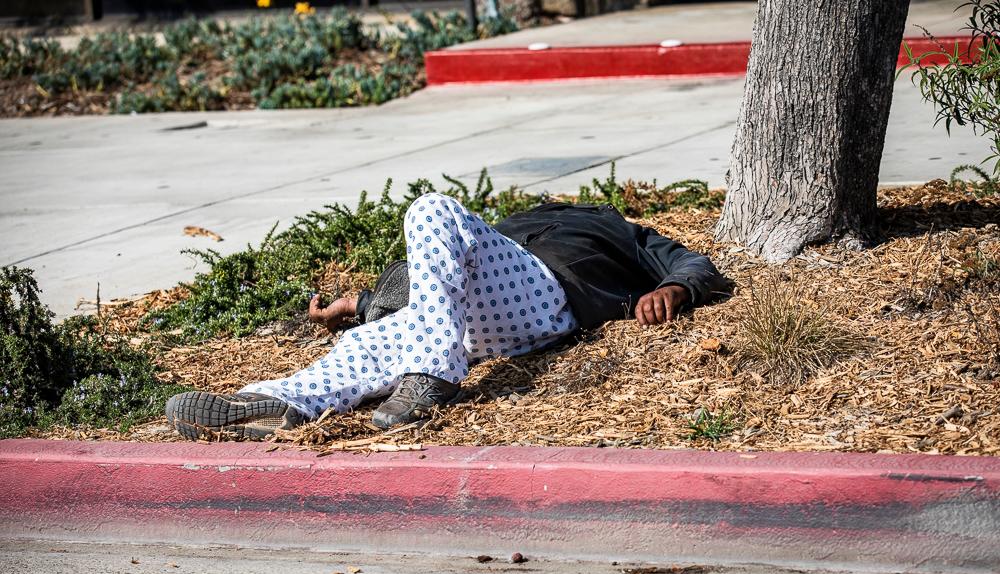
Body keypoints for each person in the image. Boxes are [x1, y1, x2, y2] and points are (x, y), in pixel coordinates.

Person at [165, 193, 728, 439]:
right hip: (472, 323)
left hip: (545, 299)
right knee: (368, 344)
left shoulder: (611, 226)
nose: (554, 203)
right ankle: (279, 402)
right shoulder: (513, 221)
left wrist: (677, 286)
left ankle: (433, 374)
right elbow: (443, 279)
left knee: (431, 208)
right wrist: (360, 305)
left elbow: (692, 261)